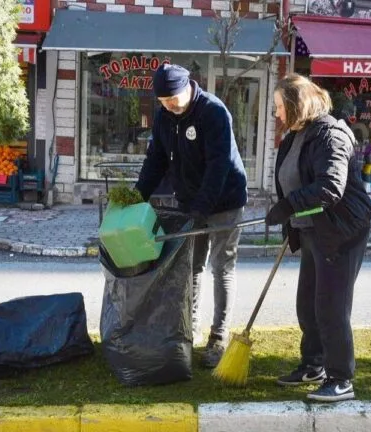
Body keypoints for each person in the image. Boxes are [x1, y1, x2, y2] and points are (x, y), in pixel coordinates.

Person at [265, 73, 371, 402]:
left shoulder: (331, 134)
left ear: (297, 105)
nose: (277, 114)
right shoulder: (297, 134)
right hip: (313, 229)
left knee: (330, 307)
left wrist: (288, 206)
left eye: (280, 107)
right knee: (308, 304)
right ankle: (314, 365)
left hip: (340, 231)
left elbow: (329, 188)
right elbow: (294, 179)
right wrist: (289, 215)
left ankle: (341, 378)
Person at [135, 64, 248, 368]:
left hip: (224, 200)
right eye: (163, 102)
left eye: (172, 99)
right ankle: (190, 329)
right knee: (191, 268)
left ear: (188, 87)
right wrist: (137, 195)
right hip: (191, 201)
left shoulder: (213, 111)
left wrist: (203, 205)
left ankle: (219, 337)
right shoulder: (164, 117)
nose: (169, 106)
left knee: (222, 267)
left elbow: (219, 165)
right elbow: (155, 159)